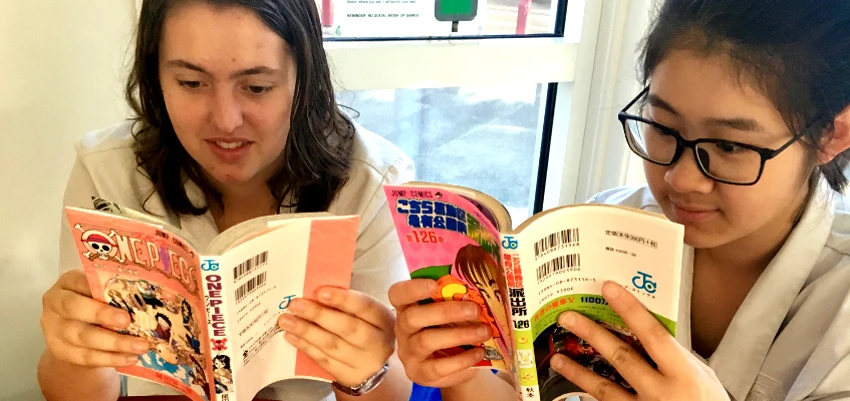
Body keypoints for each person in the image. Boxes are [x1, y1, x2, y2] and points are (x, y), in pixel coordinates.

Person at [390, 0, 850, 400]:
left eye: (730, 147)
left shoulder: (839, 305)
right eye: (663, 129)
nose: (680, 178)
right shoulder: (608, 229)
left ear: (832, 134)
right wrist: (461, 368)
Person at [37, 1, 414, 400]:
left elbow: (393, 391)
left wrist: (365, 371)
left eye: (257, 87)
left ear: (304, 80)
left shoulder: (371, 182)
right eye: (191, 83)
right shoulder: (107, 170)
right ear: (155, 77)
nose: (225, 121)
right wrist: (75, 351)